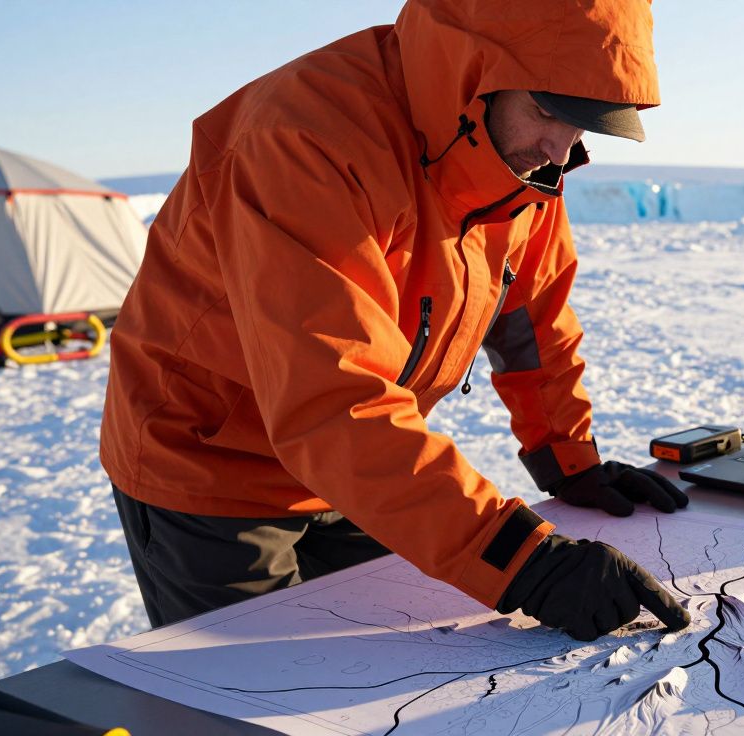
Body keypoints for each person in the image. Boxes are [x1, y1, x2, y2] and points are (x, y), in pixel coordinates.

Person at [100, 0, 692, 642]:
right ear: (474, 73)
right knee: (261, 693)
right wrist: (528, 566)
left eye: (585, 124)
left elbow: (532, 319)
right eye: (550, 111)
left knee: (386, 680)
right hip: (211, 468)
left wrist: (568, 458)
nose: (561, 148)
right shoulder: (305, 137)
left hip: (362, 466)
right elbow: (333, 396)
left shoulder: (521, 162)